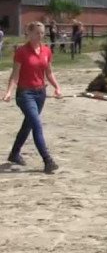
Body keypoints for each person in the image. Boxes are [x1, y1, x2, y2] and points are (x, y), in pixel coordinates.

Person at [2, 21, 61, 174]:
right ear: (28, 33)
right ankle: (47, 160)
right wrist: (9, 91)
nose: (40, 36)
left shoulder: (47, 51)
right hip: (24, 94)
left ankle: (14, 154)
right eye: (36, 33)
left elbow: (48, 72)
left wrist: (57, 87)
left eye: (42, 33)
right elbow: (15, 75)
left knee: (28, 125)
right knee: (36, 124)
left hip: (40, 93)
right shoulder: (21, 52)